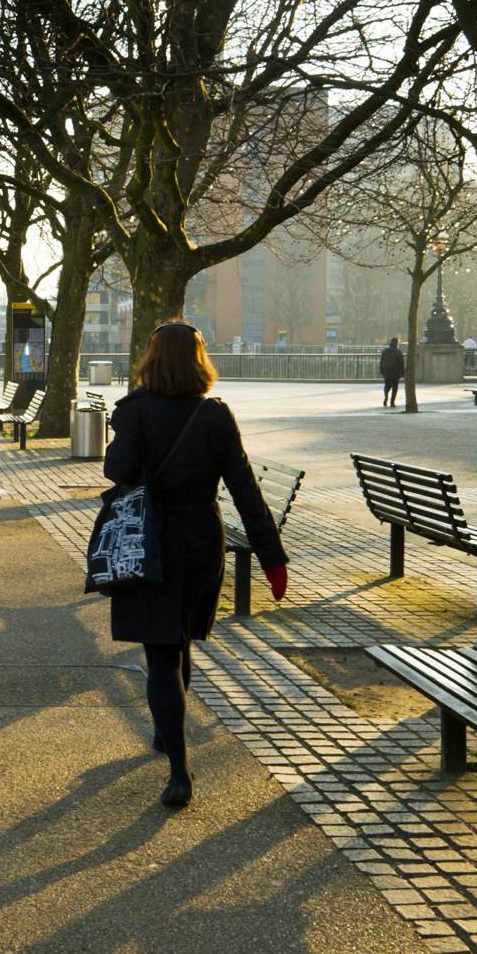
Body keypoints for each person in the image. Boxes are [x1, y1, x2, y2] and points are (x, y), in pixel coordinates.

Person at [101, 322, 287, 810]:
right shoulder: (215, 415)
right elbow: (244, 489)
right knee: (180, 640)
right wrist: (272, 559)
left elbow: (115, 470)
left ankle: (180, 772)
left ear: (152, 359)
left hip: (150, 545)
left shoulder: (135, 411)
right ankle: (168, 733)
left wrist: (128, 429)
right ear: (199, 361)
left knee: (161, 653)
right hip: (203, 543)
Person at [377, 335, 405, 408]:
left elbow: (381, 361)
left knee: (387, 385)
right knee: (395, 387)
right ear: (397, 343)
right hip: (396, 373)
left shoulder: (385, 351)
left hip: (387, 372)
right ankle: (392, 402)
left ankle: (386, 396)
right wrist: (402, 373)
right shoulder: (398, 352)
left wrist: (381, 371)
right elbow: (401, 363)